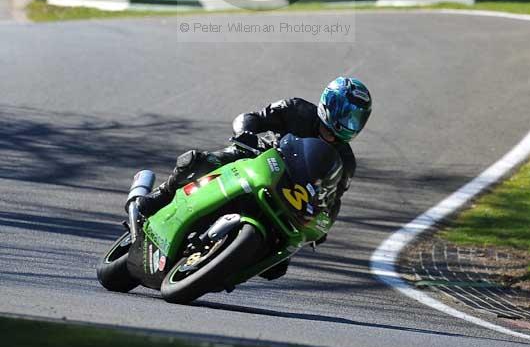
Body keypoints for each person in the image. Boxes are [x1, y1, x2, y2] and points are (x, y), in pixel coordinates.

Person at [137, 76, 372, 280]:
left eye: (355, 118)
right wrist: (245, 134)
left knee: (276, 269)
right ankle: (163, 194)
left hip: (291, 199)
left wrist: (323, 225)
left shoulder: (346, 161)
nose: (347, 122)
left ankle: (221, 268)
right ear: (328, 103)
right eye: (344, 113)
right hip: (259, 161)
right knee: (200, 161)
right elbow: (251, 117)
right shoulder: (298, 109)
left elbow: (334, 197)